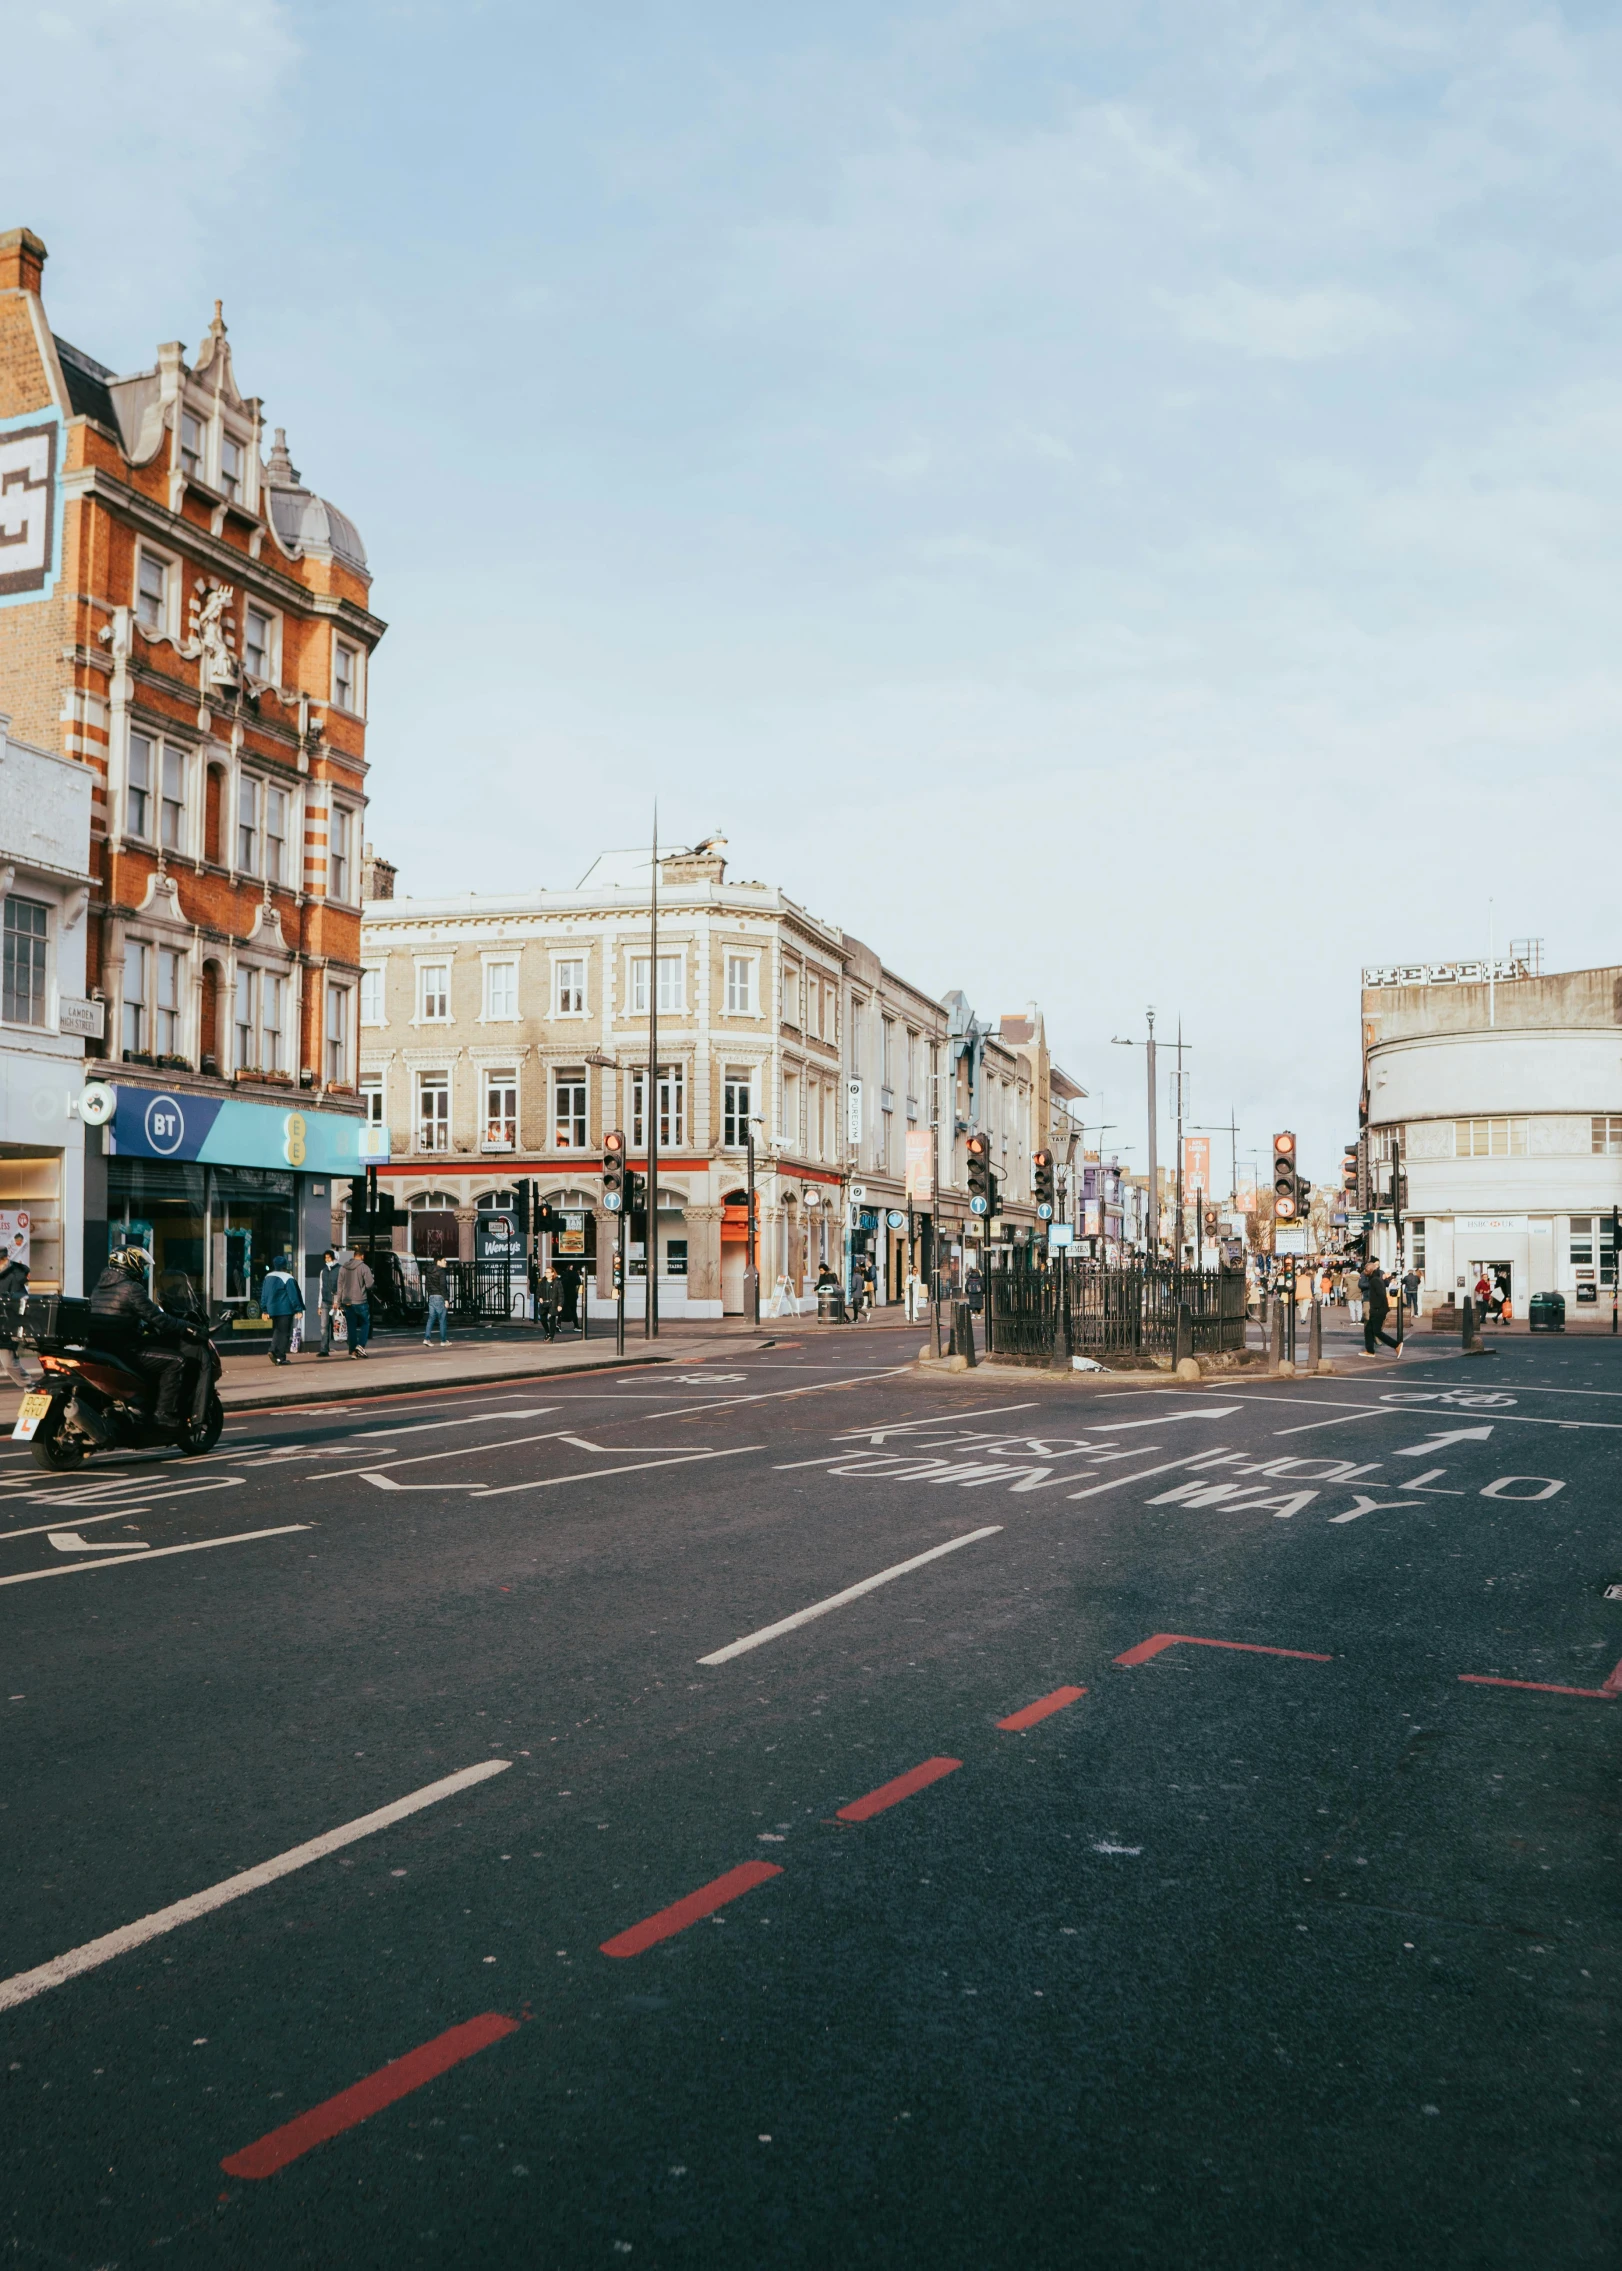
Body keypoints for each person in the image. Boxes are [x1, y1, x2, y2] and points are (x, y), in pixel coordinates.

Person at [89, 1245, 187, 1423]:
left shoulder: (99, 1287)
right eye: (141, 1263)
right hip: (124, 1350)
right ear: (130, 1263)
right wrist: (186, 1326)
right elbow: (158, 1319)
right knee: (176, 1361)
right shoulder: (132, 1288)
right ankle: (164, 1414)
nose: (142, 1268)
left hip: (100, 1349)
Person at [259, 1254, 303, 1365]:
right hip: (285, 1309)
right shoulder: (288, 1277)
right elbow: (293, 1295)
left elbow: (264, 1295)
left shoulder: (267, 1277)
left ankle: (273, 1349)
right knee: (284, 1333)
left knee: (278, 1330)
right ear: (285, 1265)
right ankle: (279, 1356)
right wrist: (298, 1309)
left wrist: (264, 1310)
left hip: (272, 1309)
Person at [336, 1247, 374, 1358]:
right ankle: (360, 1346)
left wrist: (338, 1302)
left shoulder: (343, 1267)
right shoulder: (364, 1267)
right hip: (360, 1300)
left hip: (347, 1301)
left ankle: (352, 1351)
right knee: (365, 1323)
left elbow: (339, 1286)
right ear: (362, 1256)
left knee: (351, 1326)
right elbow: (369, 1284)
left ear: (353, 1256)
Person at [1359, 1258, 1400, 1356]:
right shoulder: (1375, 1279)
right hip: (1377, 1308)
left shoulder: (1375, 1280)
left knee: (1377, 1331)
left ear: (1371, 1270)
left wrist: (1376, 1307)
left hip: (1378, 1309)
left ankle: (1396, 1345)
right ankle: (1370, 1351)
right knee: (1368, 1329)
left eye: (1366, 1270)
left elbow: (1381, 1294)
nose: (1364, 1272)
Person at [315, 1248, 341, 1357]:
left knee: (339, 1326)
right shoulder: (323, 1271)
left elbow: (341, 1287)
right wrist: (319, 1305)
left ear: (335, 1258)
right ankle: (324, 1349)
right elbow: (321, 1288)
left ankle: (351, 1346)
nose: (327, 1260)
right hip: (325, 1301)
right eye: (325, 1258)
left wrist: (338, 1301)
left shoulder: (340, 1270)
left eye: (329, 1257)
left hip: (335, 1301)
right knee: (323, 1327)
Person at [421, 1256, 450, 1345]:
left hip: (431, 1296)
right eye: (444, 1260)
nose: (446, 1262)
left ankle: (427, 1338)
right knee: (442, 1319)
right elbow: (442, 1286)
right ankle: (443, 1340)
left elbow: (426, 1285)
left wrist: (430, 1293)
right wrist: (446, 1299)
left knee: (431, 1318)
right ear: (438, 1262)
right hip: (439, 1297)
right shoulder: (441, 1272)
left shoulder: (429, 1272)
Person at [538, 1265, 562, 1341]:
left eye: (548, 1272)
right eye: (545, 1272)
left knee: (552, 1319)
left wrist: (560, 1305)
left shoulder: (557, 1282)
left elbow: (561, 1294)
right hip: (544, 1302)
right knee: (542, 1318)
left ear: (552, 1273)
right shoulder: (542, 1282)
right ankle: (547, 1332)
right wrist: (539, 1298)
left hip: (553, 1302)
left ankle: (551, 1335)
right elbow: (538, 1292)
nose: (546, 1274)